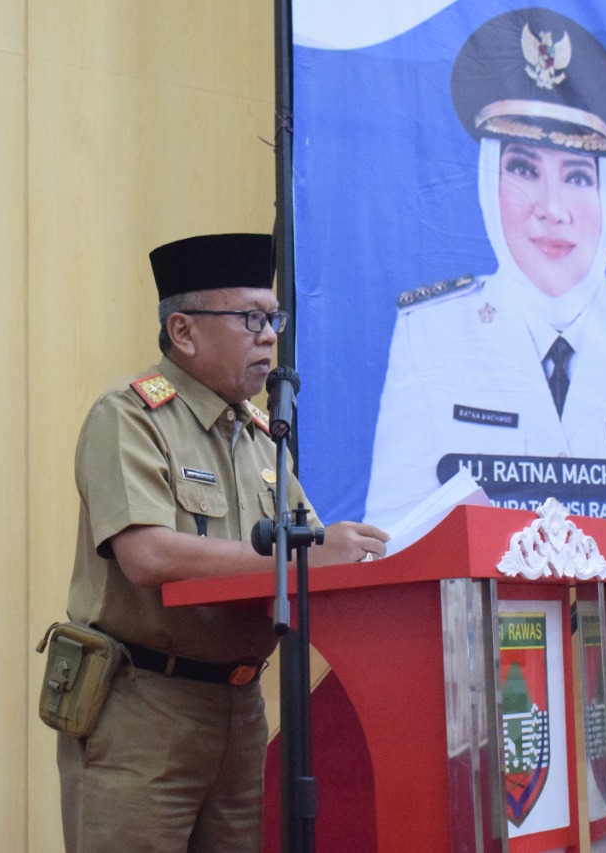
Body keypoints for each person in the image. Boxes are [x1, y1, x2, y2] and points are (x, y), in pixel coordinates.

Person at [57, 232, 389, 853]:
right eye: (250, 318)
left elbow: (311, 551)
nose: (269, 336)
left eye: (273, 318)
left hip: (240, 709)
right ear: (183, 331)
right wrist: (298, 555)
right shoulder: (129, 418)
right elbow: (148, 555)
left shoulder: (265, 439)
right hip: (143, 707)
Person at [364, 7, 606, 544]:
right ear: (489, 185)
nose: (552, 207)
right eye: (523, 169)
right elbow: (390, 537)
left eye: (578, 175)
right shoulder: (431, 334)